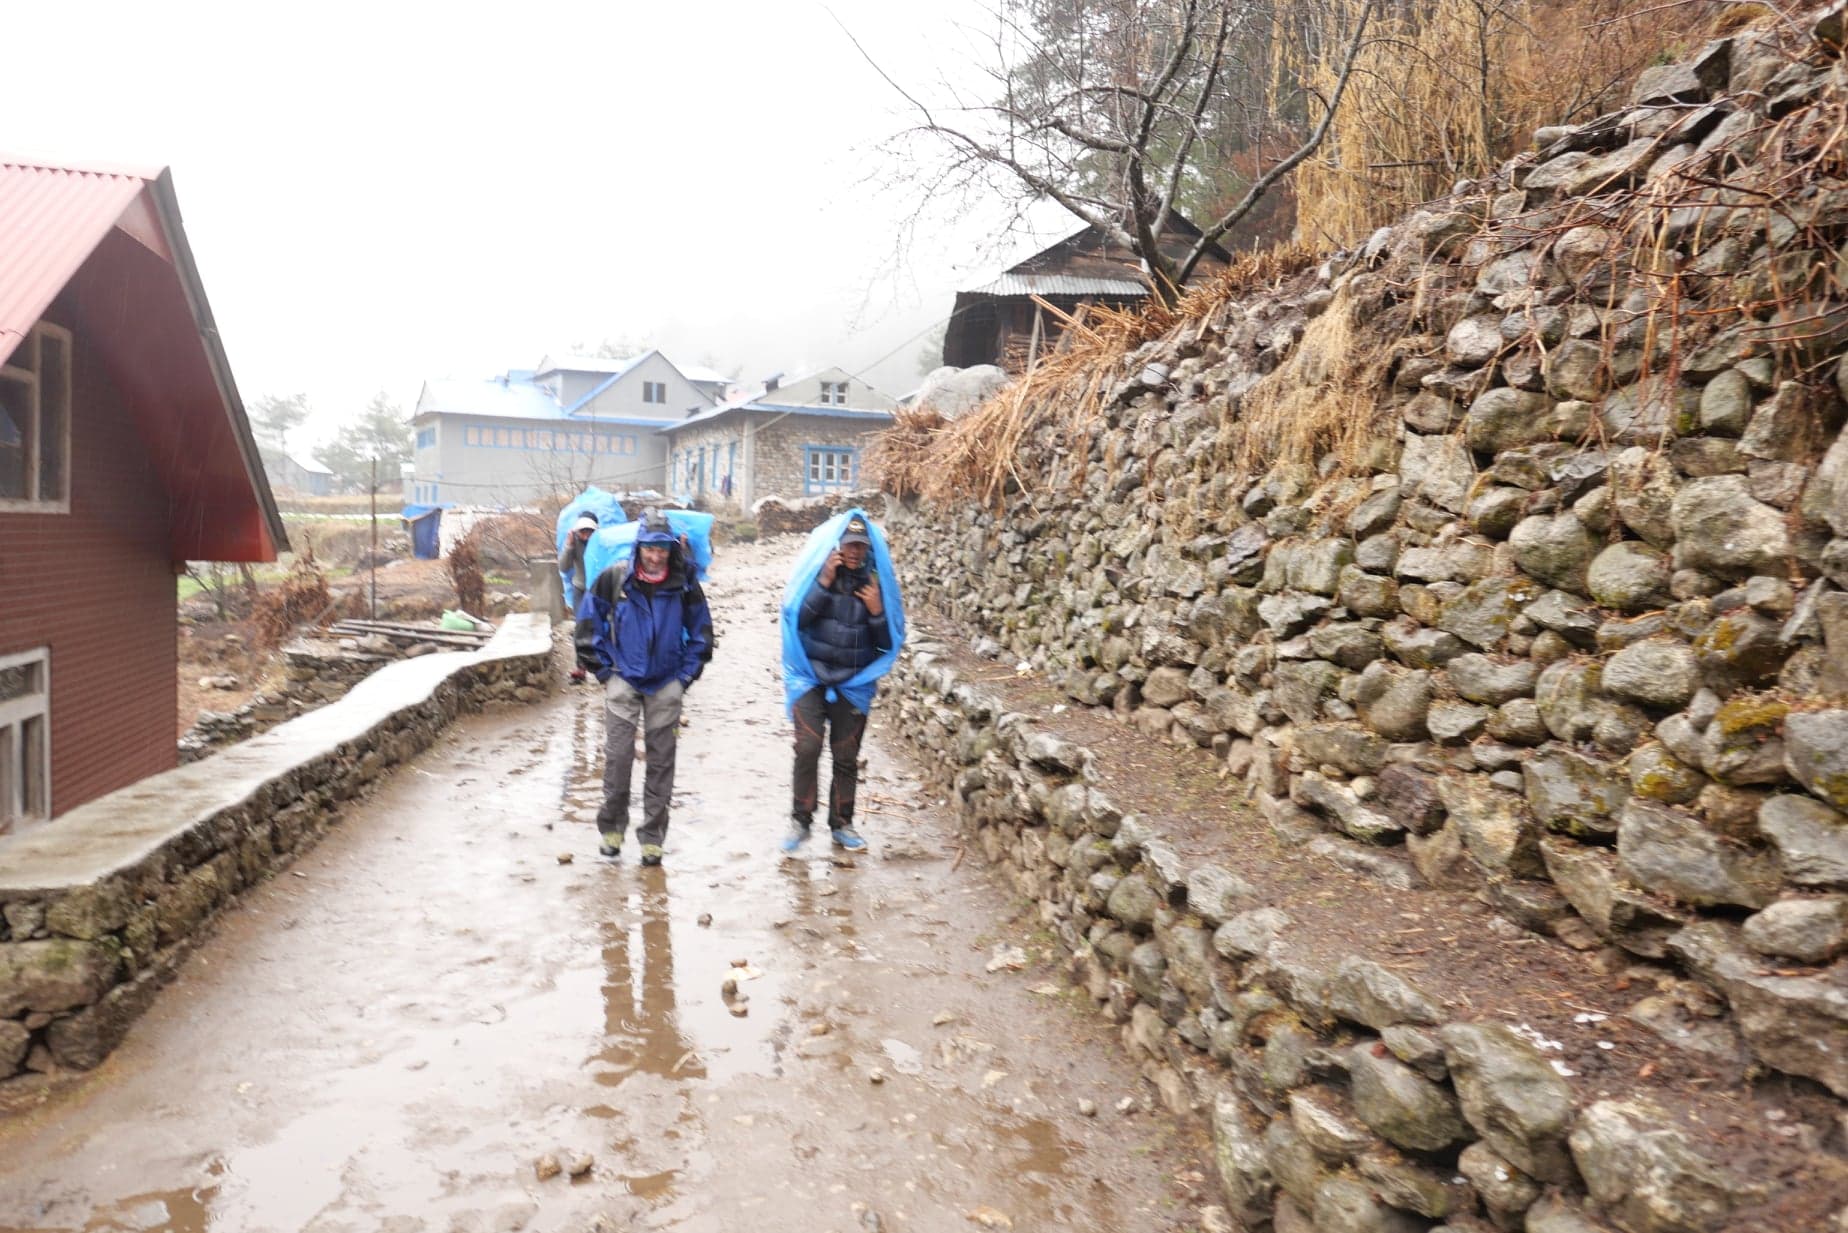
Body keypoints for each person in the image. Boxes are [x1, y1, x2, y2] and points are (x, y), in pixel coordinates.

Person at [574, 510, 713, 866]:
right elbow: (588, 627)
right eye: (650, 549)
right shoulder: (615, 578)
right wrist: (605, 673)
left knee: (661, 763)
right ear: (639, 547)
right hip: (623, 678)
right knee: (618, 759)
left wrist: (684, 678)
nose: (655, 556)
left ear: (670, 549)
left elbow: (702, 635)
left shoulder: (684, 584)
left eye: (662, 549)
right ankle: (612, 830)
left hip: (666, 682)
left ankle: (652, 838)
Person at [783, 514, 896, 854]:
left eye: (861, 545)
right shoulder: (819, 576)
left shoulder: (876, 585)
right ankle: (800, 820)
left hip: (853, 683)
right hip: (812, 678)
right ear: (838, 545)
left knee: (846, 755)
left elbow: (885, 643)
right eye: (849, 544)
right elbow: (797, 619)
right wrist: (824, 581)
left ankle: (842, 823)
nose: (854, 551)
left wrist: (876, 611)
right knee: (808, 747)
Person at [558, 512, 599, 683]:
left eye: (589, 531)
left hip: (599, 589)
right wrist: (568, 546)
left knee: (601, 626)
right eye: (583, 531)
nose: (586, 535)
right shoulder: (573, 542)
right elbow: (564, 567)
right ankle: (580, 668)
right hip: (580, 589)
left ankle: (604, 665)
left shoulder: (600, 542)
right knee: (581, 628)